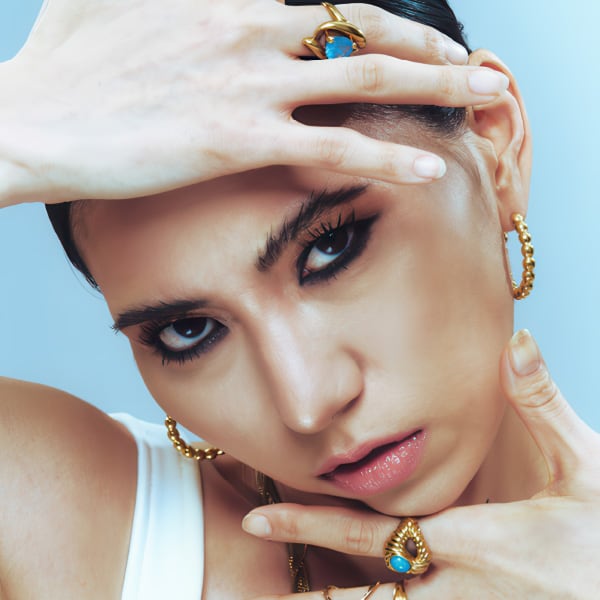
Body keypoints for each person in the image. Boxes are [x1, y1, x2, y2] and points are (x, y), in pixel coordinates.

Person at [1, 1, 599, 599]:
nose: (307, 405)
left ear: (495, 144)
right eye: (190, 330)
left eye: (331, 248)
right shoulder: (72, 529)